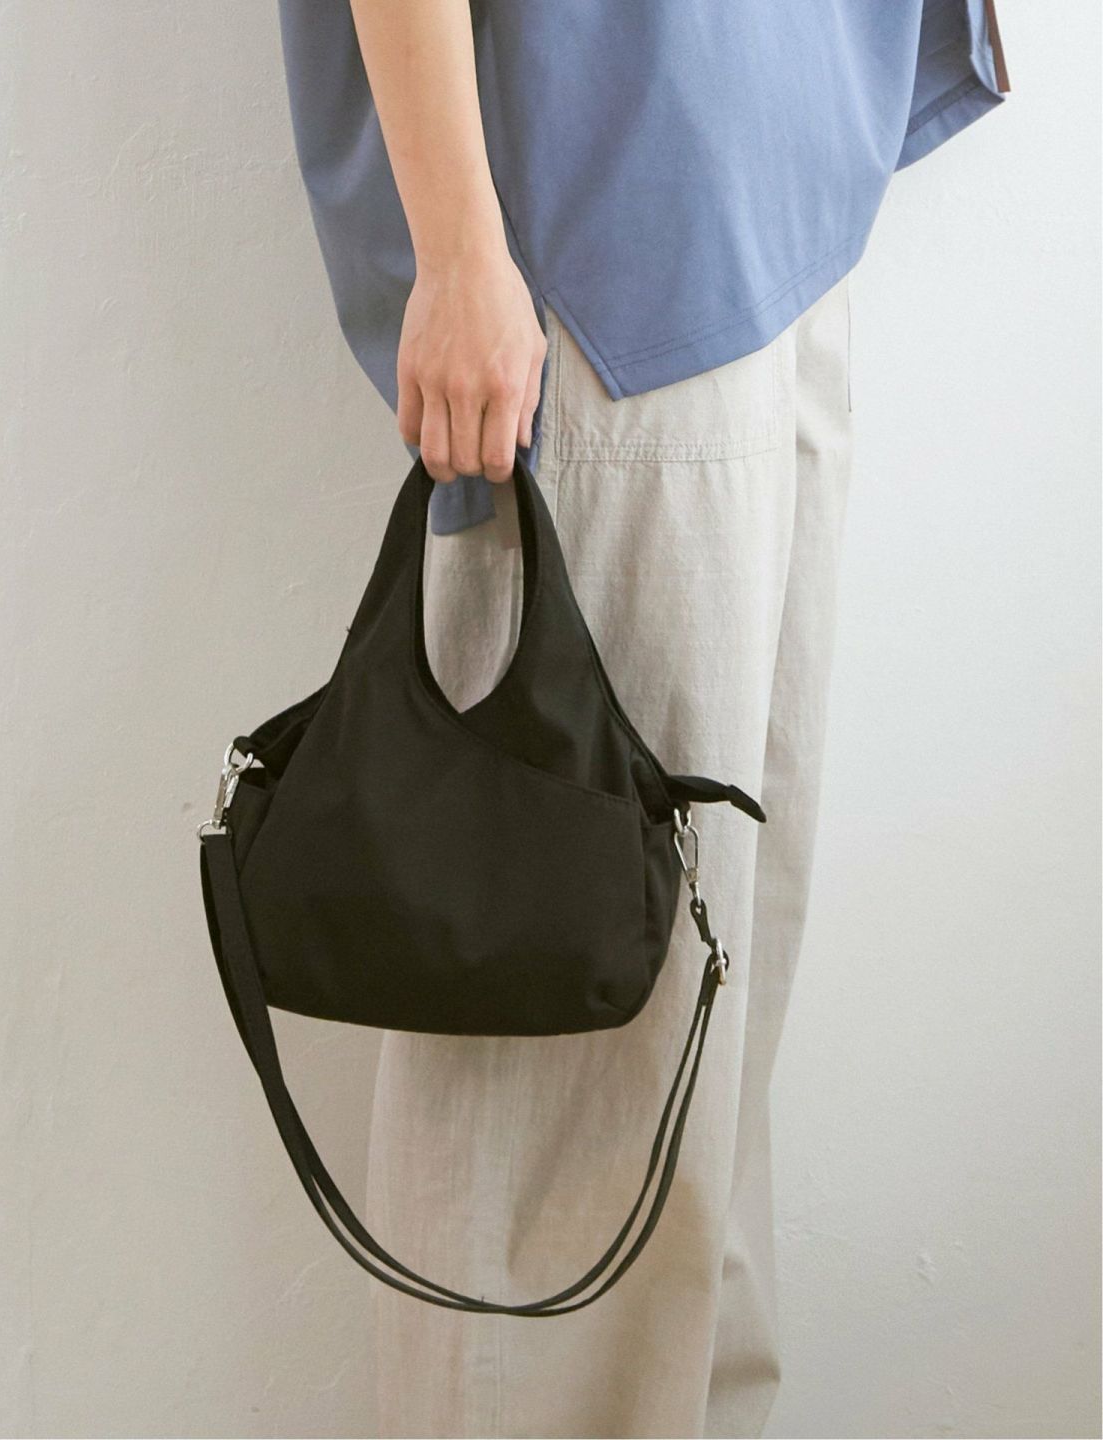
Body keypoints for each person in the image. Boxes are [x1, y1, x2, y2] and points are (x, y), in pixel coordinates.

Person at [275, 3, 1009, 1435]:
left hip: (770, 206)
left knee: (697, 1088)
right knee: (564, 1121)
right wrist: (459, 253)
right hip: (604, 258)